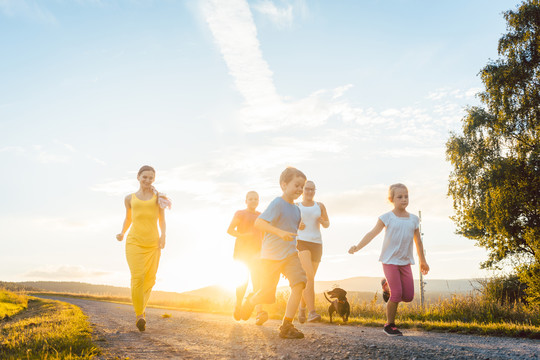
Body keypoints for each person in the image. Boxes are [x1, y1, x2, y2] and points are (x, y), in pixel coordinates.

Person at [348, 183, 429, 336]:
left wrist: (423, 261)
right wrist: (357, 247)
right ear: (392, 199)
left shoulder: (413, 219)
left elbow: (418, 241)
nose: (404, 199)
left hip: (405, 262)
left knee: (408, 296)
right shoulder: (387, 218)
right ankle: (389, 325)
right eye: (400, 197)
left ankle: (386, 285)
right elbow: (372, 234)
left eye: (406, 196)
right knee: (397, 294)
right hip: (389, 261)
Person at [239, 167, 308, 339]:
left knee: (299, 283)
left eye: (302, 187)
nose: (300, 190)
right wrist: (279, 232)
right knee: (267, 295)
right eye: (296, 185)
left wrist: (298, 227)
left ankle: (287, 325)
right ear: (284, 184)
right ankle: (251, 301)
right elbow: (259, 223)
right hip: (270, 256)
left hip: (290, 254)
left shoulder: (297, 209)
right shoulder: (277, 202)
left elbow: (290, 227)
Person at [116, 165, 169, 332]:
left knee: (150, 279)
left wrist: (163, 236)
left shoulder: (158, 197)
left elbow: (162, 220)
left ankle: (141, 310)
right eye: (144, 177)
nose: (147, 180)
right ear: (138, 177)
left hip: (153, 243)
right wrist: (122, 233)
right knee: (138, 276)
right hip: (134, 242)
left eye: (151, 178)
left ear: (154, 179)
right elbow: (128, 218)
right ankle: (140, 315)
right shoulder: (129, 199)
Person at [227, 191, 268, 325]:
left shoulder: (261, 216)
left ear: (258, 201)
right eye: (250, 199)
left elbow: (265, 234)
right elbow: (230, 230)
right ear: (246, 201)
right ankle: (238, 305)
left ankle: (259, 313)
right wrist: (244, 235)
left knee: (258, 283)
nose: (253, 201)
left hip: (257, 254)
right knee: (242, 282)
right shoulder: (240, 213)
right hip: (241, 253)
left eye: (256, 199)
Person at [296, 181, 330, 323]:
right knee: (309, 276)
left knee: (308, 280)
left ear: (315, 191)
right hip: (302, 242)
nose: (309, 192)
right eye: (307, 189)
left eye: (312, 189)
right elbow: (290, 223)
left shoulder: (320, 206)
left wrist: (323, 221)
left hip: (317, 244)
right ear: (302, 190)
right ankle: (312, 312)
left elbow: (327, 224)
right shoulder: (296, 206)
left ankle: (302, 308)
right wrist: (297, 224)